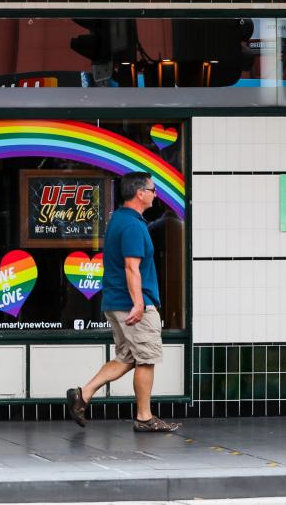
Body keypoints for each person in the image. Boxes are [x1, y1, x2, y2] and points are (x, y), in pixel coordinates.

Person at [66, 172, 180, 433]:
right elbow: (131, 267)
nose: (155, 194)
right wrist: (139, 303)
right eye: (153, 189)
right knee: (146, 359)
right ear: (140, 193)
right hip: (132, 304)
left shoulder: (119, 219)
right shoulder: (131, 225)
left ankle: (82, 394)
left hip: (116, 301)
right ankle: (144, 417)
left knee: (127, 357)